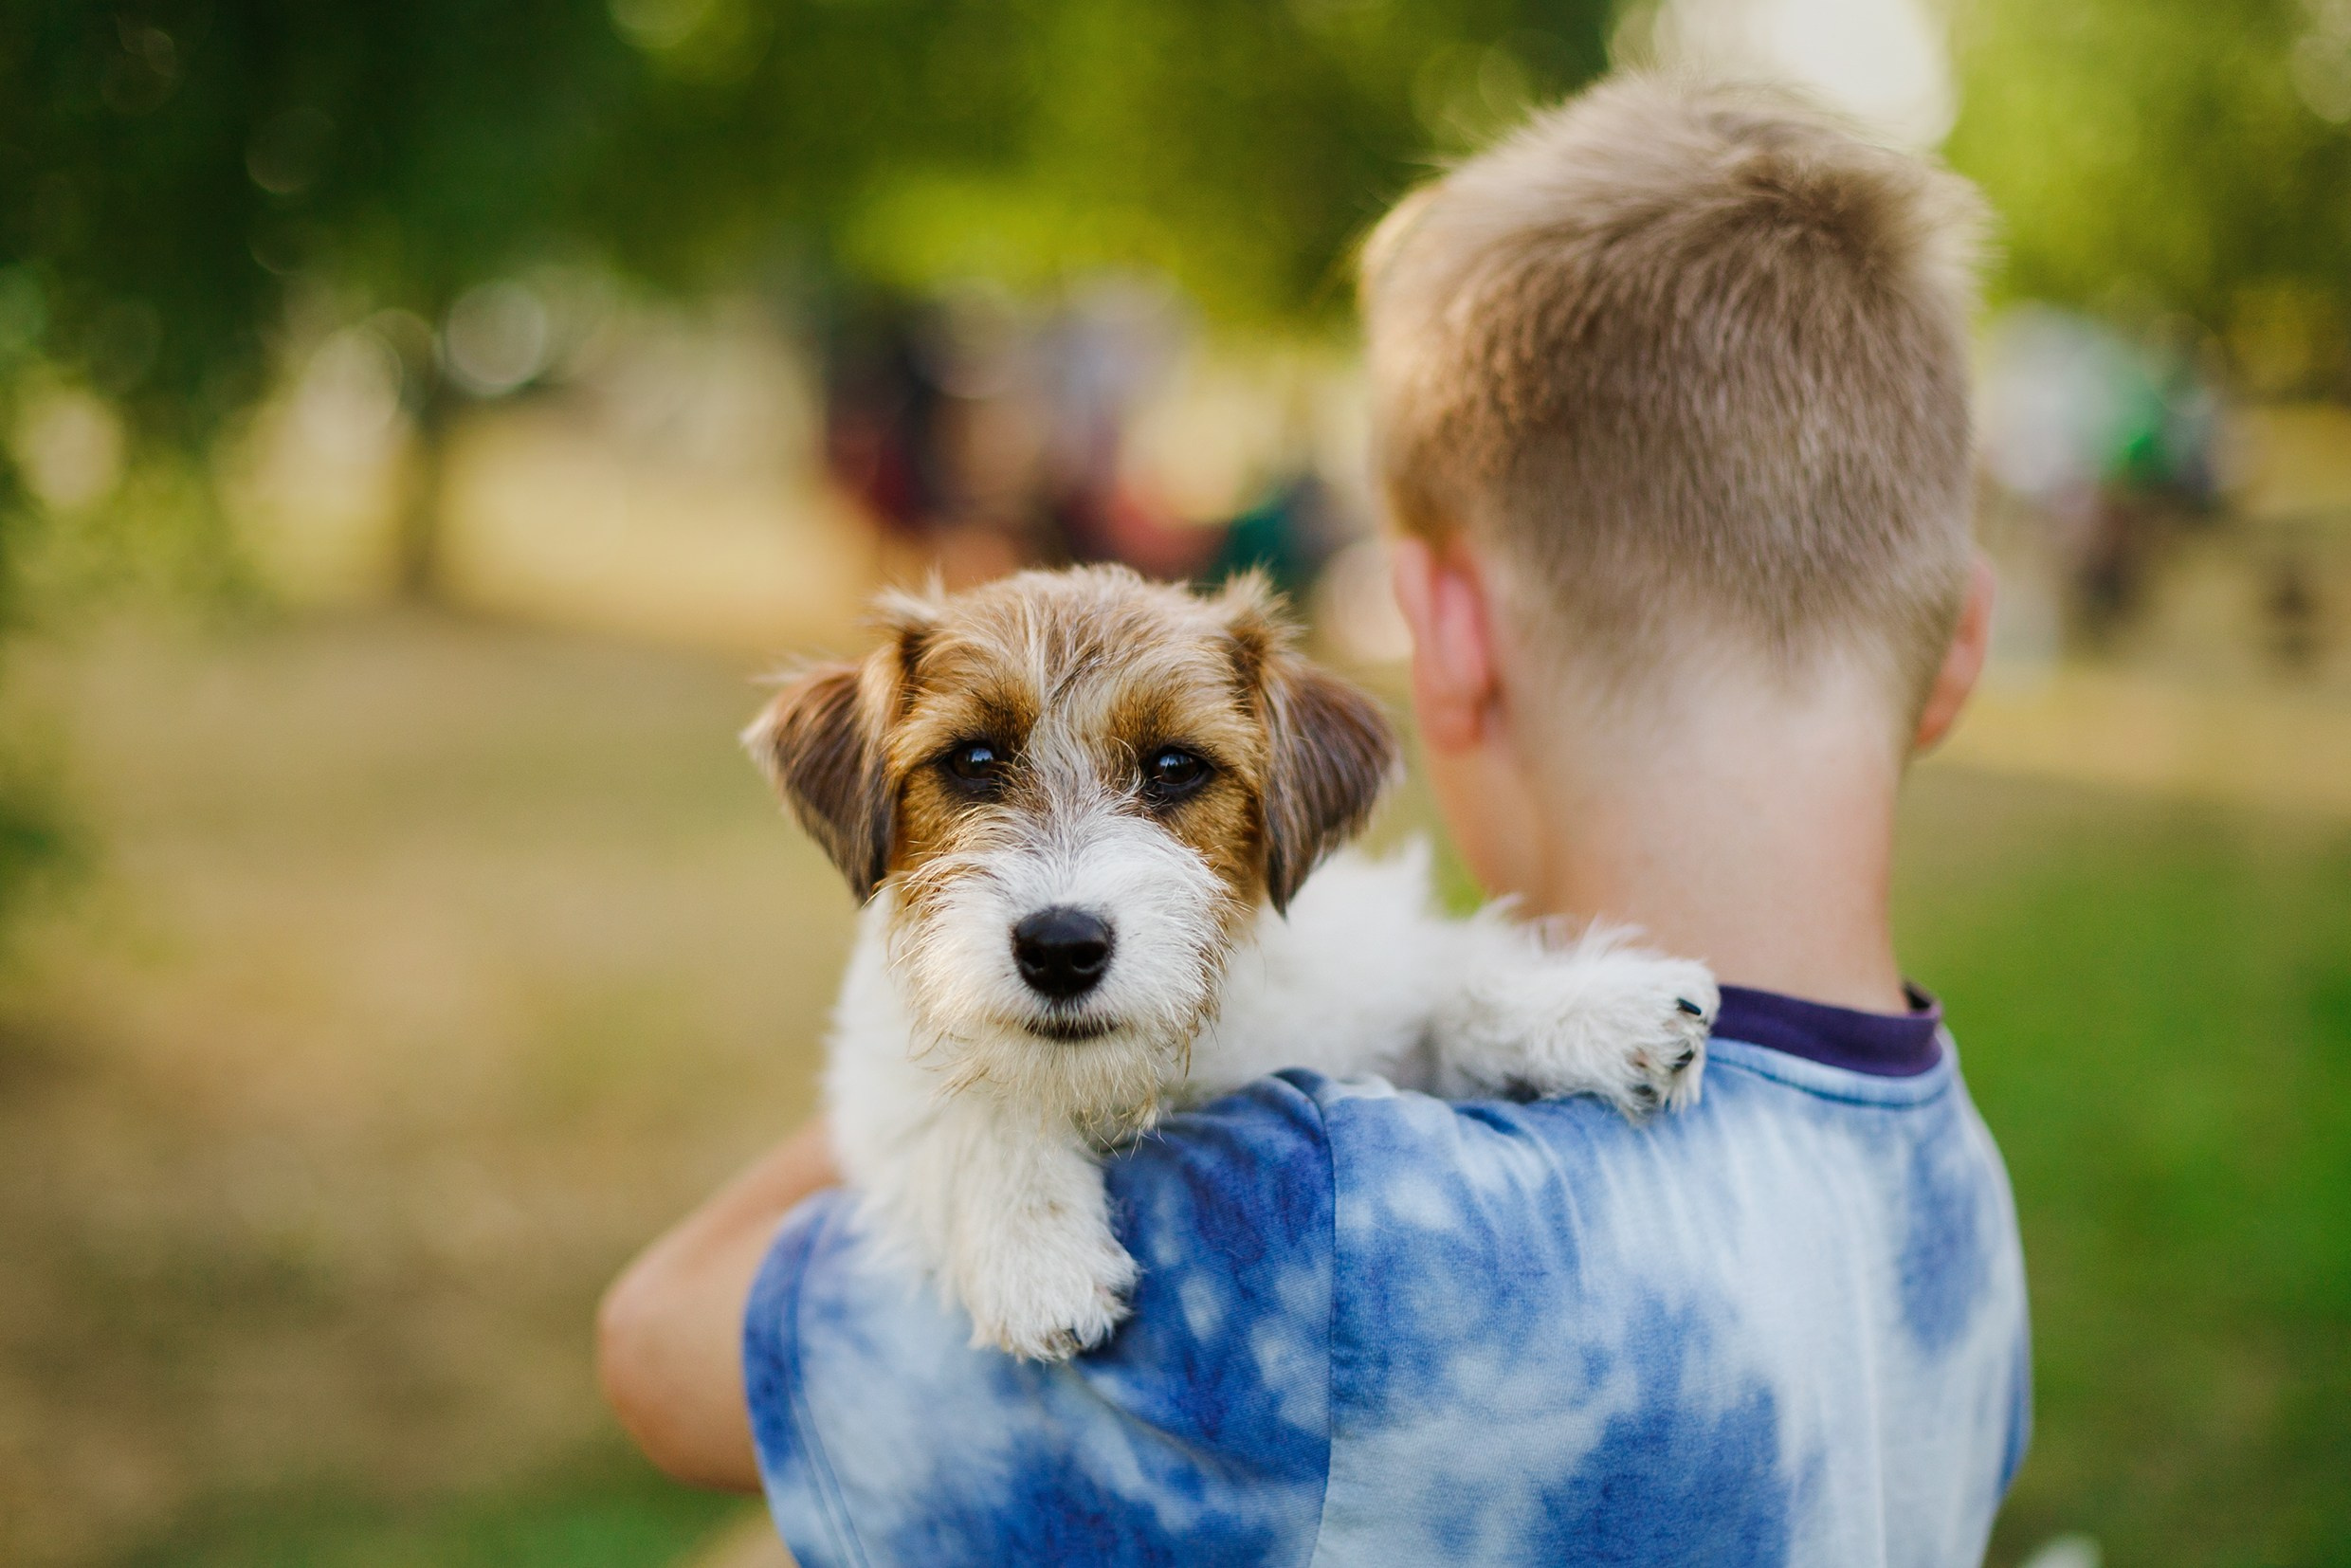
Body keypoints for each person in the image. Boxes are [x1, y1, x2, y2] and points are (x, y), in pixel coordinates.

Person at [596, 76, 2031, 1565]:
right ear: (1963, 642)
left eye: (1172, 778)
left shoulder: (1294, 1234)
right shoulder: (1951, 1174)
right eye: (970, 770)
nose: (1071, 873)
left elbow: (661, 1345)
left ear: (1444, 638)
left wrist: (948, 1087)